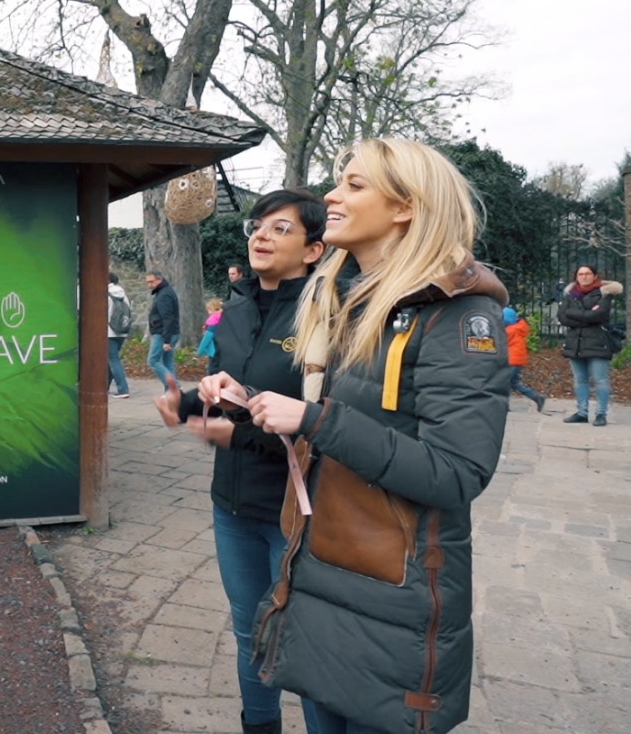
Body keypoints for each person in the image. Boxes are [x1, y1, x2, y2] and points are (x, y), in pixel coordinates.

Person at [201, 138, 511, 734]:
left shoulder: (458, 316)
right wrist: (249, 406)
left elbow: (456, 473)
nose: (332, 196)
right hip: (321, 560)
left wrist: (315, 420)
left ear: (406, 206)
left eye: (354, 185)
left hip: (392, 586)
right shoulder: (348, 303)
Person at [154, 188, 327, 734]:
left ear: (314, 250)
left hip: (296, 509)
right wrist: (183, 404)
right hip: (232, 503)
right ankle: (260, 724)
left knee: (304, 633)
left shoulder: (329, 316)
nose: (260, 235)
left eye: (281, 229)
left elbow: (320, 414)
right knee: (249, 628)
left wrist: (236, 436)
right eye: (258, 225)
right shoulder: (236, 306)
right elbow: (235, 388)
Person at [558, 264, 623, 426]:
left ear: (594, 276)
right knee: (580, 380)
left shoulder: (604, 292)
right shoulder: (569, 294)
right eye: (580, 274)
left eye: (588, 274)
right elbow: (562, 317)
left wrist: (574, 313)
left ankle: (601, 414)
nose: (584, 277)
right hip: (575, 343)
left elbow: (600, 315)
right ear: (576, 276)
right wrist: (588, 315)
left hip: (597, 342)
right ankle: (582, 413)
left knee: (600, 380)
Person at [504, 306, 546, 412]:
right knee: (514, 383)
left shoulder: (509, 330)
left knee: (504, 382)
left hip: (512, 360)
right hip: (517, 360)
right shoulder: (518, 328)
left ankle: (504, 405)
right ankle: (536, 397)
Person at [145, 269, 180, 386]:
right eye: (148, 282)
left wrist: (166, 340)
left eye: (151, 282)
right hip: (169, 332)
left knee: (153, 361)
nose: (150, 285)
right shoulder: (165, 292)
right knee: (167, 362)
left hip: (162, 333)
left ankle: (174, 386)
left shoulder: (164, 295)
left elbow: (167, 317)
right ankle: (172, 395)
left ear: (159, 280)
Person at [107, 271, 131, 399]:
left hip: (109, 331)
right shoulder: (123, 295)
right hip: (122, 331)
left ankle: (123, 389)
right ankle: (104, 386)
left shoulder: (105, 294)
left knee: (113, 360)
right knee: (111, 359)